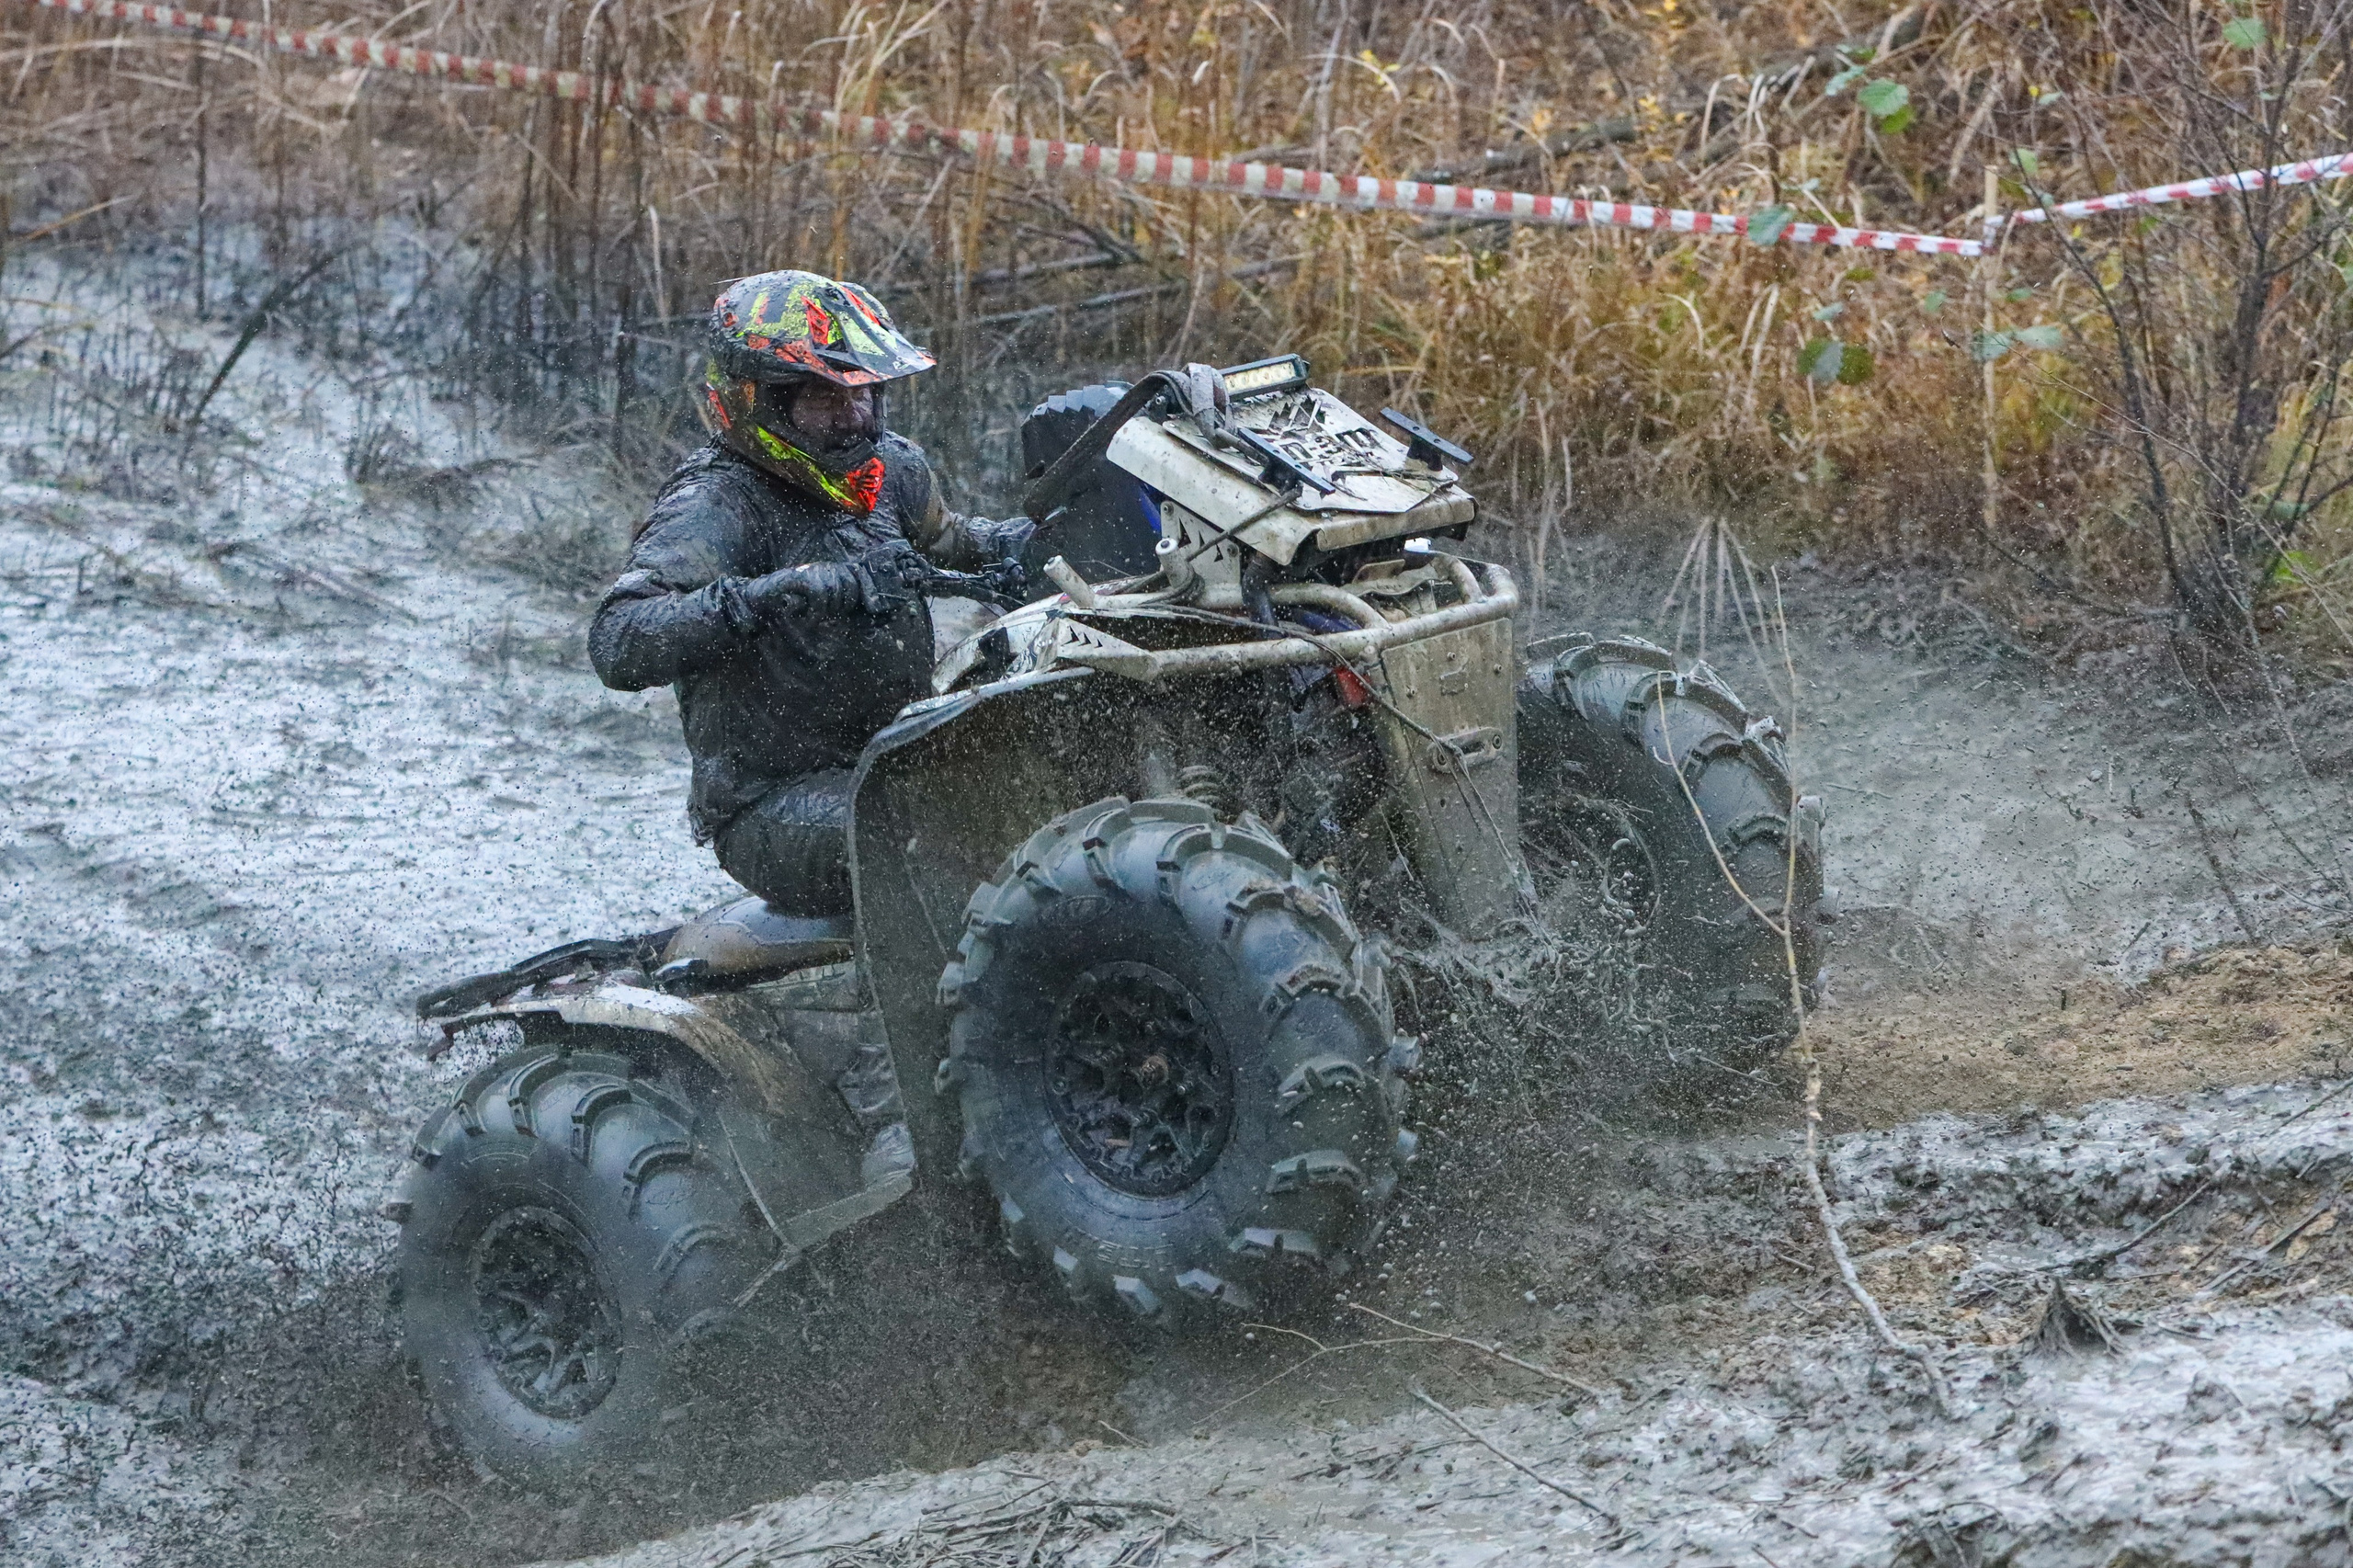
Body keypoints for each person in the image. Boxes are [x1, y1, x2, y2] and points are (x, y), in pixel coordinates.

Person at [590, 269, 1032, 917]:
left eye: (864, 393)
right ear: (760, 400)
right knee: (941, 834)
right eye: (826, 398)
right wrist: (779, 595)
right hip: (770, 804)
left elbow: (961, 543)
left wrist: (1037, 541)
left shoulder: (891, 472)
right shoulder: (718, 503)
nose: (855, 416)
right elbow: (618, 640)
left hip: (889, 761)